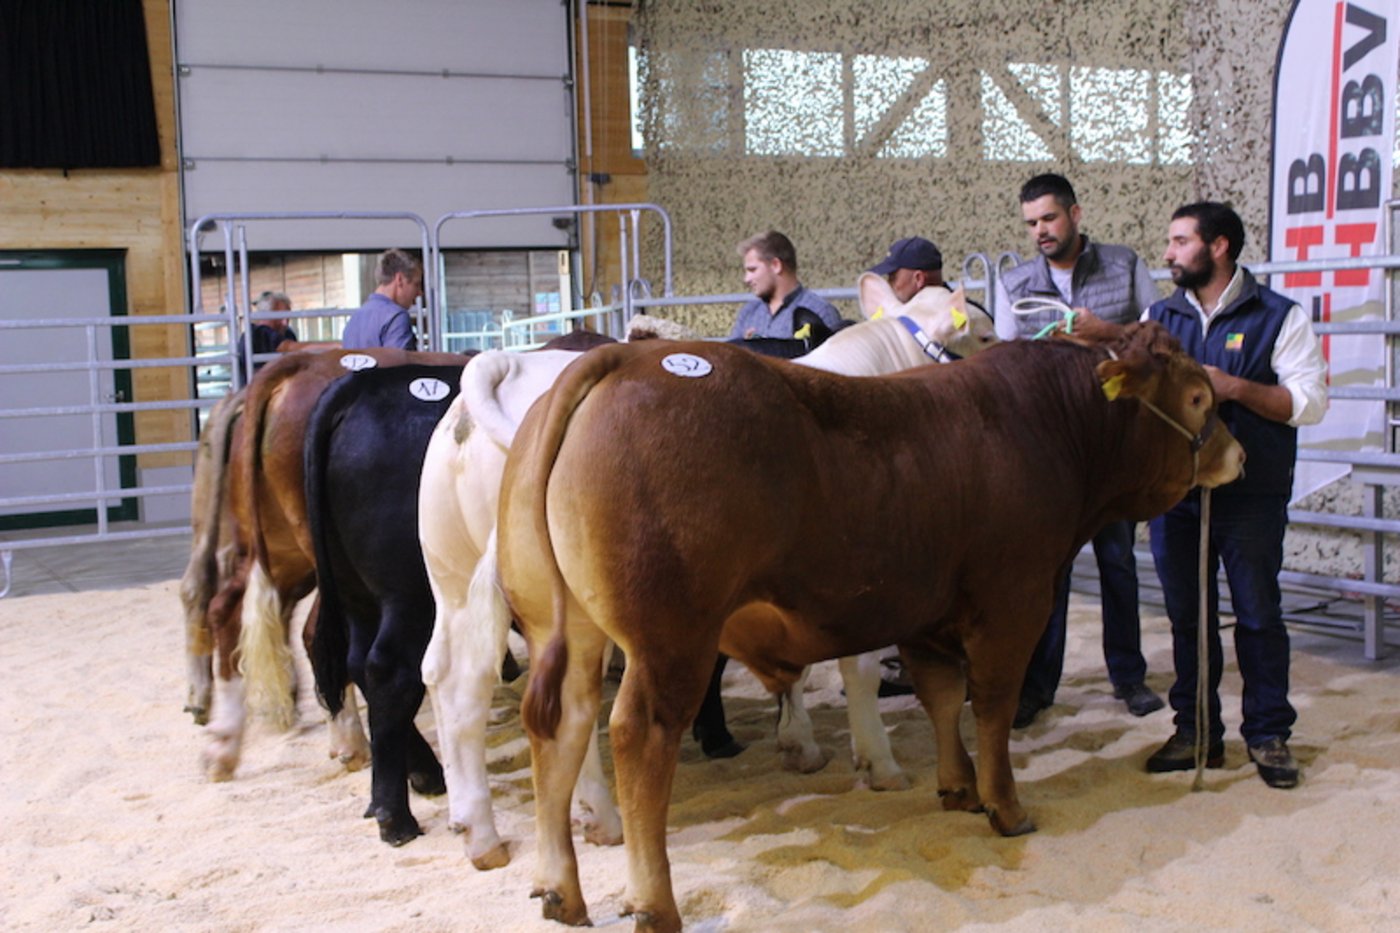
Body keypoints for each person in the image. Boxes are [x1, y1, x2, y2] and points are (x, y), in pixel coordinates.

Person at [1143, 201, 1327, 789]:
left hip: (1250, 493)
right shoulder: (1159, 315)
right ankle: (1196, 730)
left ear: (1218, 246)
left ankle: (1268, 734)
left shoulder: (1278, 315)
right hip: (1177, 493)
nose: (1168, 253)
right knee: (1185, 618)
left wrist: (1236, 388)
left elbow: (1309, 404)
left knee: (1257, 615)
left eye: (1179, 241)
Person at [995, 173, 1165, 729]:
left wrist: (1104, 332)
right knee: (1050, 569)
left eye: (1048, 218)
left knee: (1118, 562)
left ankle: (1129, 678)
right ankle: (1038, 686)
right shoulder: (1015, 282)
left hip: (1114, 444)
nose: (1040, 231)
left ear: (1075, 213)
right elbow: (1003, 357)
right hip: (1049, 451)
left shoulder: (1125, 264)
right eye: (1032, 223)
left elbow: (1157, 337)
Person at [731, 231, 843, 340]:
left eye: (752, 270)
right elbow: (729, 357)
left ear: (776, 265)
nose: (746, 279)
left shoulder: (820, 311)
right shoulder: (748, 312)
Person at [341, 248, 423, 350]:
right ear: (400, 279)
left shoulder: (354, 320)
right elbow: (399, 364)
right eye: (416, 284)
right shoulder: (396, 317)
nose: (420, 293)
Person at [868, 236, 946, 303]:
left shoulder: (952, 317)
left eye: (893, 278)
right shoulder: (953, 312)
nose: (889, 285)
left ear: (919, 278)